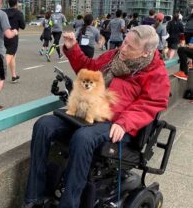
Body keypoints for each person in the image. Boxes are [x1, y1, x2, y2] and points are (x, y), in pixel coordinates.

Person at [22, 25, 170, 208]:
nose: (123, 48)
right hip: (91, 114)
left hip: (119, 125)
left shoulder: (156, 73)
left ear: (146, 53)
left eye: (130, 47)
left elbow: (151, 104)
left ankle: (70, 204)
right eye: (124, 42)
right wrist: (72, 48)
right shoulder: (113, 56)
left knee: (83, 138)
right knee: (44, 125)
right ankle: (33, 198)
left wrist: (125, 123)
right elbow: (89, 70)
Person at [3, 0, 26, 83]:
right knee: (9, 54)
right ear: (16, 4)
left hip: (5, 35)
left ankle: (13, 76)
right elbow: (23, 26)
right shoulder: (19, 13)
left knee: (12, 55)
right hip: (13, 36)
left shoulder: (4, 12)